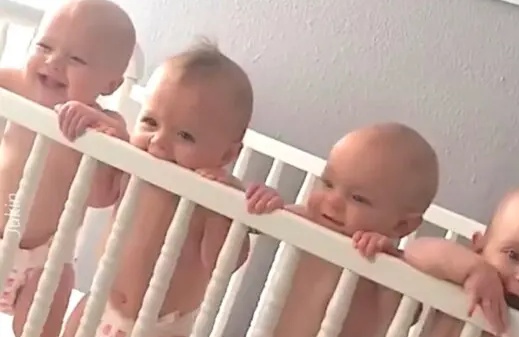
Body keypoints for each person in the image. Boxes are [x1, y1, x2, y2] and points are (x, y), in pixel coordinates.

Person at [61, 41, 283, 337]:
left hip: (161, 328)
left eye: (185, 135)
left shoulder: (213, 194)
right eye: (150, 122)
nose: (158, 142)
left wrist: (222, 207)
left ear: (228, 155)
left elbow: (224, 262)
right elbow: (97, 196)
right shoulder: (135, 164)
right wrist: (104, 138)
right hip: (100, 304)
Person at [0, 1, 135, 336]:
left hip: (45, 256)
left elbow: (104, 196)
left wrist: (107, 136)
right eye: (44, 46)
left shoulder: (102, 127)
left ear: (110, 85)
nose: (53, 62)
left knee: (51, 299)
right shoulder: (14, 86)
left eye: (76, 59)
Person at [253, 122, 440, 337]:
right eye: (328, 183)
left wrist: (389, 263)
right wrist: (262, 200)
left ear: (401, 225)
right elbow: (250, 221)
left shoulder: (385, 261)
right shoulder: (304, 220)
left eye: (358, 198)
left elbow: (411, 313)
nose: (333, 201)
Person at [374, 180, 519, 337]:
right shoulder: (461, 284)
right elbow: (415, 250)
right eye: (513, 255)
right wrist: (473, 270)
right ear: (478, 247)